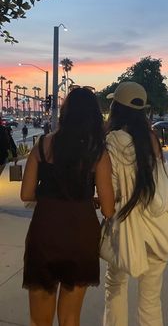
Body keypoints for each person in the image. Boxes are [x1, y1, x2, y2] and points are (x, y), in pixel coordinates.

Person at [20, 87, 115, 326]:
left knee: (39, 319)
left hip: (45, 233)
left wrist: (52, 194)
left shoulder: (43, 145)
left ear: (65, 113)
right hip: (81, 236)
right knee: (70, 317)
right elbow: (108, 209)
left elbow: (26, 193)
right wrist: (86, 199)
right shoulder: (98, 153)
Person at [103, 82, 168, 326]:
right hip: (158, 230)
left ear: (116, 107)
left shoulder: (113, 141)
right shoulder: (152, 139)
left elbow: (113, 191)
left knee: (115, 286)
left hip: (125, 228)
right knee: (151, 300)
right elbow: (161, 184)